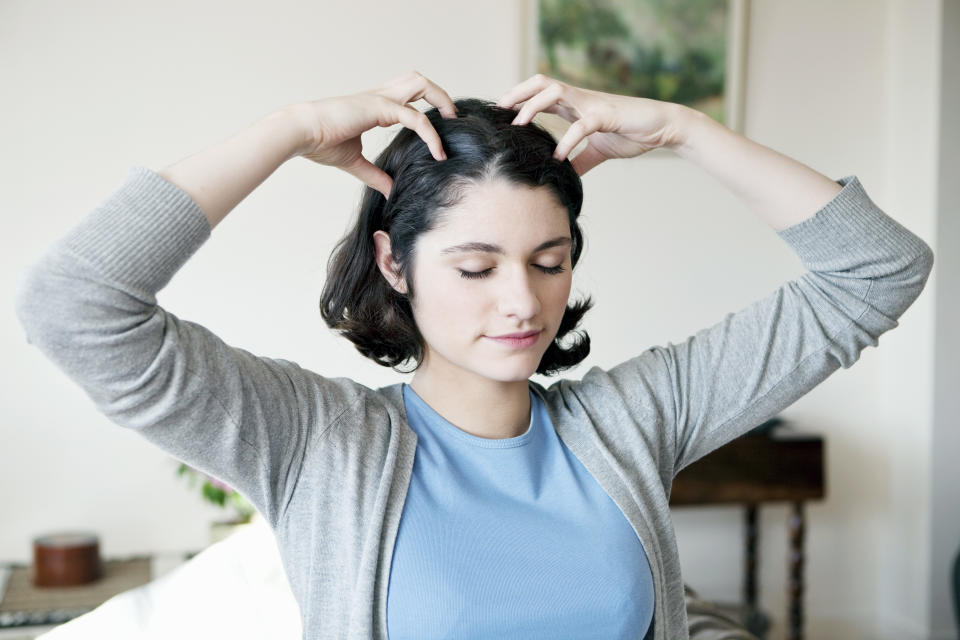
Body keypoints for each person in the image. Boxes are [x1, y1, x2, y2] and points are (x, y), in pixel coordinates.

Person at [13, 70, 934, 640]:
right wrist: (290, 128)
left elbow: (879, 271)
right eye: (475, 265)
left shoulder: (630, 420)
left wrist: (687, 132)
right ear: (394, 261)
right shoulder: (314, 442)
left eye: (549, 261)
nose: (522, 301)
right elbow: (76, 305)